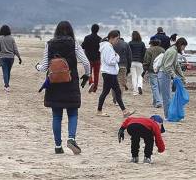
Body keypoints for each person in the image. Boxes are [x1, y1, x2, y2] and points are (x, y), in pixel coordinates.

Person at [37, 21, 90, 154]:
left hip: (54, 84)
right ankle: (71, 138)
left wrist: (37, 66)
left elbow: (43, 67)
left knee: (56, 116)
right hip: (70, 82)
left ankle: (58, 146)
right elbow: (86, 62)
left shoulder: (49, 44)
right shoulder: (74, 43)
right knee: (72, 113)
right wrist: (87, 74)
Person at [97, 30, 134, 118]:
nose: (117, 41)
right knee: (105, 92)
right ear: (112, 38)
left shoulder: (108, 46)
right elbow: (110, 61)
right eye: (117, 39)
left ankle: (125, 111)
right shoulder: (107, 47)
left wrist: (115, 56)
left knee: (117, 92)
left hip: (111, 72)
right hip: (108, 73)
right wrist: (117, 57)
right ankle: (99, 110)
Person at [159, 38, 188, 119]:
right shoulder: (172, 52)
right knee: (166, 97)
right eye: (184, 47)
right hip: (164, 74)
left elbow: (177, 65)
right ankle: (168, 116)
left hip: (166, 74)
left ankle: (169, 115)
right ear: (181, 45)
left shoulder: (173, 51)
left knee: (168, 96)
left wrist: (182, 77)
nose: (183, 49)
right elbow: (167, 66)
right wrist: (175, 76)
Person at [0, 25, 22, 92]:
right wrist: (19, 57)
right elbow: (15, 49)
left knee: (5, 71)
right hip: (11, 58)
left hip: (2, 57)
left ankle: (6, 86)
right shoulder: (12, 38)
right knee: (8, 71)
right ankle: (7, 85)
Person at [143, 37, 165, 108]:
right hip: (161, 70)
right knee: (158, 87)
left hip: (152, 70)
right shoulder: (163, 50)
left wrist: (144, 71)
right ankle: (155, 102)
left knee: (154, 86)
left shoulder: (149, 50)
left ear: (151, 43)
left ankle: (158, 102)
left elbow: (147, 61)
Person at [81, 24, 102, 93]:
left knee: (89, 72)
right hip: (97, 59)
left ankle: (91, 82)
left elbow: (82, 47)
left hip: (88, 59)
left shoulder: (87, 38)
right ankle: (95, 88)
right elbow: (101, 49)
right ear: (98, 30)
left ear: (91, 29)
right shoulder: (100, 39)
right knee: (96, 73)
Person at [128, 31, 146, 96]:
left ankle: (135, 91)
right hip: (140, 62)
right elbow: (144, 53)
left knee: (134, 77)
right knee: (140, 76)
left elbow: (128, 53)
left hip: (132, 62)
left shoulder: (130, 43)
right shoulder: (142, 43)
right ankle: (140, 86)